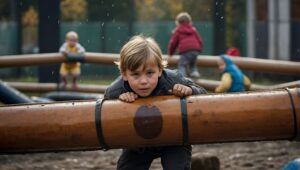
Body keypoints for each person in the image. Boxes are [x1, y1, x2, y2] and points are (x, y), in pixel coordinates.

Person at [104, 35, 207, 170]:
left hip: (173, 139)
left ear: (160, 70)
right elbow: (104, 109)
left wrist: (189, 90)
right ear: (124, 74)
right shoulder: (117, 90)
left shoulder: (172, 79)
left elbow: (204, 95)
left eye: (149, 73)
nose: (143, 81)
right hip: (138, 143)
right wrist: (119, 102)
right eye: (136, 74)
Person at [168, 12, 203, 78]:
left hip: (186, 51)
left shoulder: (178, 30)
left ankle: (182, 77)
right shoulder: (193, 30)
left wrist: (170, 53)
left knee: (182, 64)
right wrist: (199, 49)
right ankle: (194, 72)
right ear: (189, 21)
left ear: (177, 22)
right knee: (192, 63)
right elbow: (200, 40)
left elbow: (173, 43)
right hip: (195, 50)